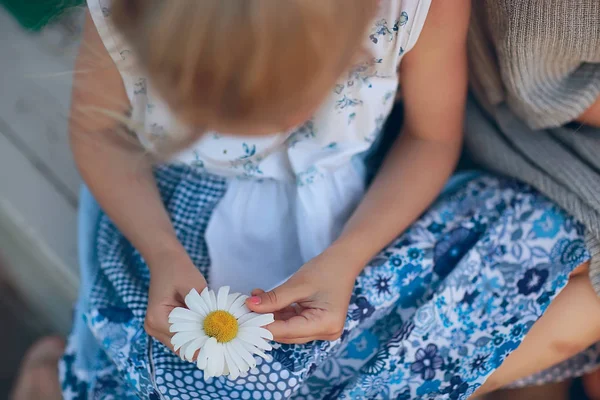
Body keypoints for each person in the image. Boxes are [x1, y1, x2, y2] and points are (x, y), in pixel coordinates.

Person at [55, 0, 594, 399]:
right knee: (203, 380)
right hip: (169, 213)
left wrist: (347, 259)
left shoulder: (413, 10)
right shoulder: (126, 10)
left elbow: (430, 138)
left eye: (279, 109)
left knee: (540, 249)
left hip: (363, 212)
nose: (255, 133)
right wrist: (161, 251)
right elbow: (98, 130)